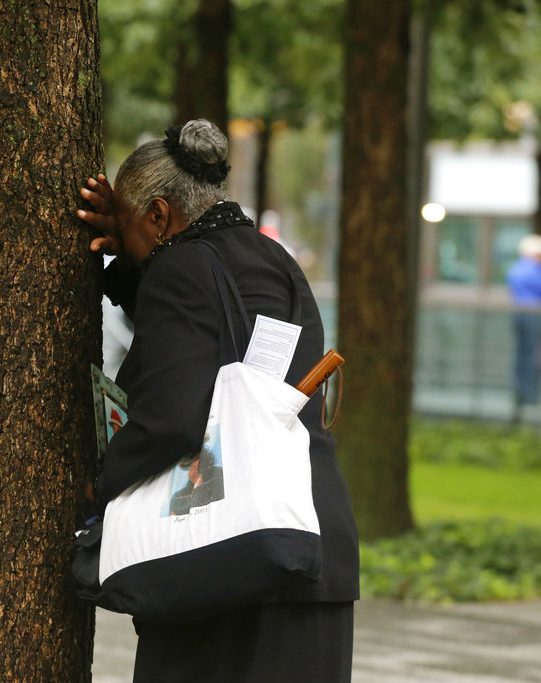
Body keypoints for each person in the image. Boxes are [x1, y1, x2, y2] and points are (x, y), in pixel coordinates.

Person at [77, 119, 359, 682]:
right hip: (306, 542)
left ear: (159, 216)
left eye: (132, 227)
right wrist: (133, 262)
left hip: (226, 561)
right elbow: (216, 342)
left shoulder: (181, 267)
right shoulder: (270, 258)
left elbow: (173, 420)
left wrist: (101, 484)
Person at [506, 234, 541, 420]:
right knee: (533, 355)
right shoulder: (536, 269)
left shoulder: (516, 268)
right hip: (533, 315)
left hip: (518, 314)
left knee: (520, 356)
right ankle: (530, 396)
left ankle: (519, 394)